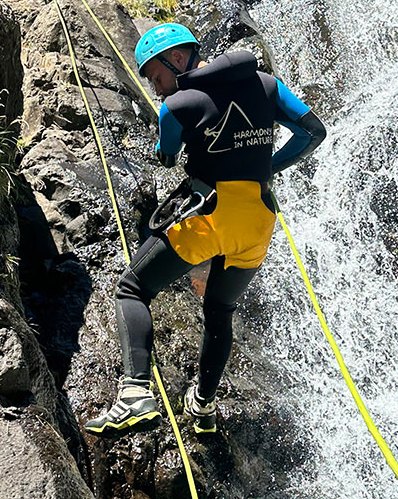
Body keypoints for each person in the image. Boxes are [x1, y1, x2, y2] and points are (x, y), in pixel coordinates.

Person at [86, 23, 327, 437]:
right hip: (258, 222)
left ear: (176, 58)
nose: (159, 88)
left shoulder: (176, 105)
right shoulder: (267, 83)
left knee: (131, 289)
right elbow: (313, 132)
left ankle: (134, 396)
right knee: (220, 310)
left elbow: (166, 156)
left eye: (157, 77)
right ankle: (203, 406)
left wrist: (171, 134)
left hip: (210, 216)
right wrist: (266, 167)